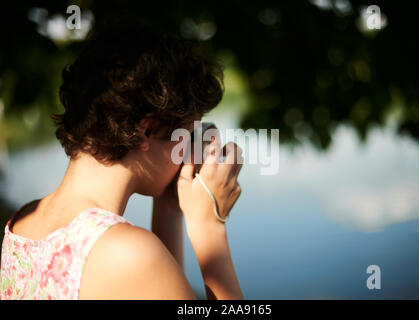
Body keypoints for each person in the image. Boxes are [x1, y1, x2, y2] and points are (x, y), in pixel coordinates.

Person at [0, 22, 244, 300]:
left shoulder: (23, 222)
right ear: (147, 130)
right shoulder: (127, 253)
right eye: (188, 134)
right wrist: (209, 227)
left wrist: (169, 210)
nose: (190, 149)